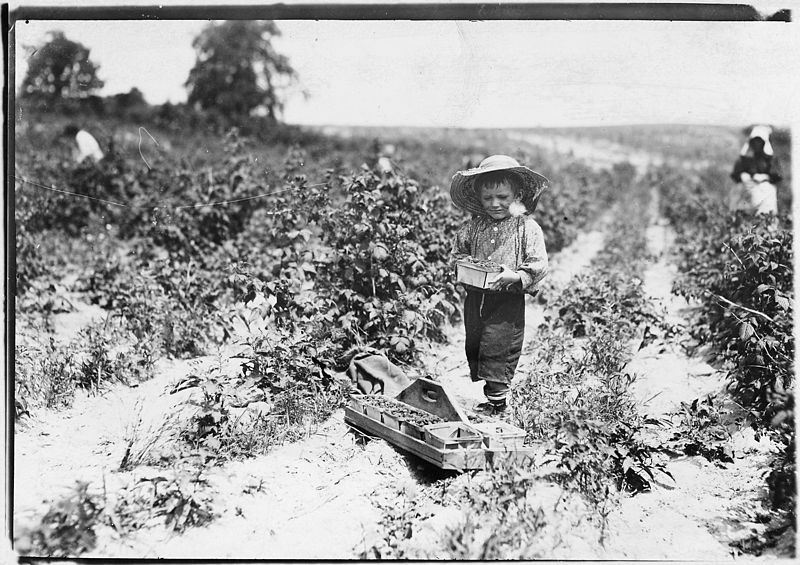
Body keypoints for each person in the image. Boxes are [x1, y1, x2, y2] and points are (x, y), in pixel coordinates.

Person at [450, 155, 549, 415]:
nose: (495, 204)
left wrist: (516, 276)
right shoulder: (473, 227)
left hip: (507, 300)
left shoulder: (526, 228)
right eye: (488, 198)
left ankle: (497, 403)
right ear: (479, 197)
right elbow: (458, 254)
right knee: (476, 344)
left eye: (503, 198)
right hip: (476, 298)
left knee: (499, 346)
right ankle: (491, 395)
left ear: (517, 195)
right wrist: (465, 268)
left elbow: (538, 262)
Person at [730, 125, 782, 215]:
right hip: (747, 187)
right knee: (739, 195)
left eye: (759, 141)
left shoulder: (770, 158)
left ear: (763, 142)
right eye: (755, 141)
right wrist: (742, 175)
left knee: (767, 196)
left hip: (764, 188)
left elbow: (777, 175)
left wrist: (766, 176)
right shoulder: (745, 157)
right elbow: (735, 173)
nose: (757, 144)